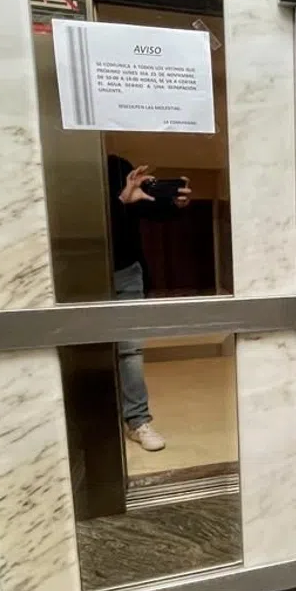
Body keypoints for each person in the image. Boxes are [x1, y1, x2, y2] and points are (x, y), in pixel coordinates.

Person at [108, 154, 190, 452]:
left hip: (125, 269)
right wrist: (119, 201)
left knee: (130, 350)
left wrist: (174, 204)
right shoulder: (59, 168)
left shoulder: (117, 165)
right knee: (82, 348)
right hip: (78, 272)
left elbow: (145, 206)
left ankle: (137, 421)